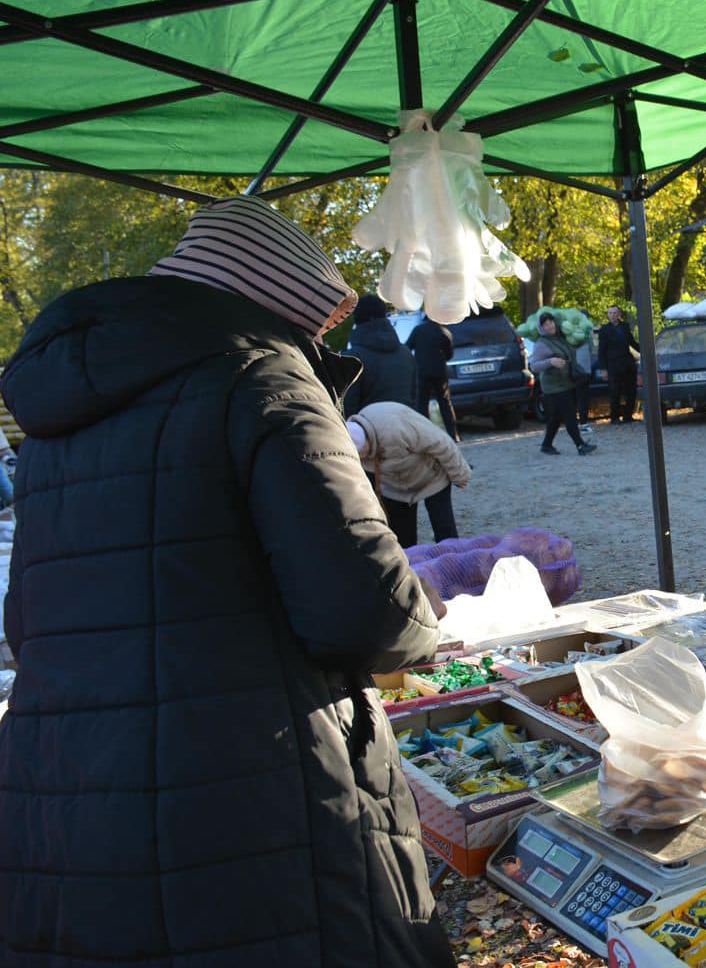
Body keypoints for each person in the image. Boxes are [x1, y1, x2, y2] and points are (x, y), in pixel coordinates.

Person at [0, 195, 452, 966]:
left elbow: (41, 610)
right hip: (249, 793)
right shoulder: (265, 375)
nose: (319, 342)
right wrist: (426, 621)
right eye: (316, 325)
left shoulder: (66, 399)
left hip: (64, 792)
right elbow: (363, 611)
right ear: (281, 305)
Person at [348, 401, 471, 547]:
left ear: (366, 443)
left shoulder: (396, 426)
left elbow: (442, 443)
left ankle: (454, 563)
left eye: (362, 455)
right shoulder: (346, 439)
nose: (362, 459)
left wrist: (460, 475)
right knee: (403, 539)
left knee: (445, 530)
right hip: (394, 487)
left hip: (431, 477)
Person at [528, 311, 596, 456]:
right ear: (541, 328)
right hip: (553, 386)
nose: (550, 326)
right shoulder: (542, 344)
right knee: (570, 414)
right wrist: (550, 361)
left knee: (556, 417)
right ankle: (580, 445)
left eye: (551, 322)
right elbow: (534, 366)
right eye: (546, 324)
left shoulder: (561, 337)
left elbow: (576, 345)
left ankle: (546, 445)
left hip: (567, 381)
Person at [343, 293, 418, 417]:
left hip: (368, 432)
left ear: (356, 318)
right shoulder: (406, 353)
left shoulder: (352, 358)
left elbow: (348, 410)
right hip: (406, 430)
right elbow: (415, 399)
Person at [409, 313, 459, 441]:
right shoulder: (444, 332)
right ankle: (453, 435)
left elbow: (407, 346)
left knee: (422, 404)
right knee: (445, 403)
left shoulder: (418, 330)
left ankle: (425, 437)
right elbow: (449, 354)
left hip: (422, 372)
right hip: (440, 372)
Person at [597, 304, 641, 423]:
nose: (612, 315)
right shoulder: (604, 330)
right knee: (614, 392)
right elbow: (601, 351)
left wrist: (645, 350)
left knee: (631, 391)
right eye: (610, 313)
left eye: (614, 313)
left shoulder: (625, 327)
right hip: (613, 365)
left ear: (619, 314)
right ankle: (615, 417)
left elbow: (632, 342)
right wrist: (603, 369)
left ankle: (627, 416)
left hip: (627, 363)